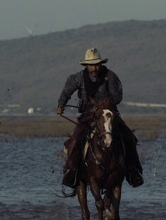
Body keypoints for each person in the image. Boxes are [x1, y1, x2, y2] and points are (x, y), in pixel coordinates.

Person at [56, 48, 143, 189]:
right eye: (91, 65)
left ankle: (133, 172)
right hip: (87, 115)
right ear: (86, 65)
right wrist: (61, 104)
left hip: (108, 114)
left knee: (130, 138)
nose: (94, 67)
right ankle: (72, 172)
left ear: (101, 64)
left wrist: (105, 104)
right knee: (74, 140)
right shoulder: (78, 77)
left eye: (96, 64)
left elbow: (117, 96)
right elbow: (67, 91)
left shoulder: (110, 76)